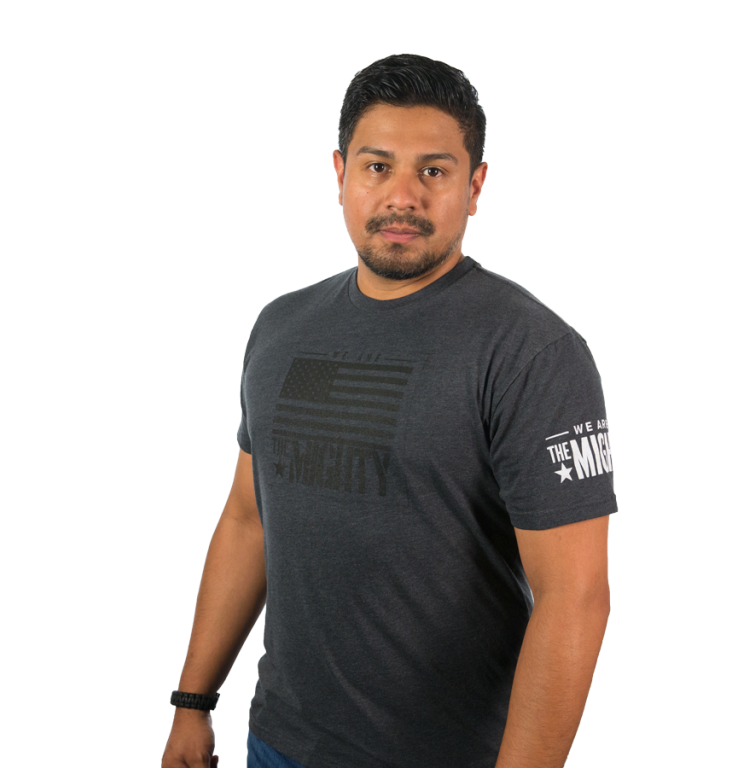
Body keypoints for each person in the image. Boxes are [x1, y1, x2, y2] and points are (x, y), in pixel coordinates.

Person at [161, 53, 616, 768]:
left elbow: (576, 596)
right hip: (278, 743)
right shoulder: (281, 327)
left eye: (433, 171)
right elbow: (249, 518)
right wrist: (193, 701)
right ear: (340, 172)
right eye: (378, 167)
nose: (403, 196)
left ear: (475, 186)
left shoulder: (533, 351)